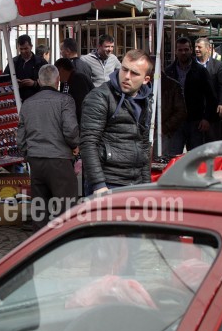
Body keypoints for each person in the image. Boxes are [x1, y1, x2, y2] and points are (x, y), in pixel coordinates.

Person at [80, 49, 153, 195]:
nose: (126, 76)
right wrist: (99, 185)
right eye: (124, 69)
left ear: (146, 79)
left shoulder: (146, 100)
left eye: (134, 73)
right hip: (108, 182)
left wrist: (146, 185)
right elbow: (88, 143)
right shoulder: (100, 96)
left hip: (135, 182)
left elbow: (143, 146)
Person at [17, 64, 79, 232]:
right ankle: (63, 245)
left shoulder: (28, 104)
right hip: (59, 159)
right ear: (58, 81)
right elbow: (70, 130)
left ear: (38, 81)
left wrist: (28, 155)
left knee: (39, 210)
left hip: (36, 160)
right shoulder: (65, 100)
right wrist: (75, 145)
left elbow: (21, 137)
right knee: (65, 209)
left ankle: (39, 248)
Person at [166, 37, 218, 152]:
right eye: (180, 50)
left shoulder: (200, 71)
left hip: (195, 122)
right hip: (176, 122)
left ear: (191, 50)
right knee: (173, 157)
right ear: (176, 51)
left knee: (195, 158)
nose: (183, 52)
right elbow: (164, 97)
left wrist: (207, 118)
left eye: (186, 49)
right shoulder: (169, 72)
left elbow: (211, 97)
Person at [195, 37, 222, 141]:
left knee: (212, 143)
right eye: (195, 47)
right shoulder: (191, 65)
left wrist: (221, 103)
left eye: (199, 47)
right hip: (195, 111)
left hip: (213, 110)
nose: (196, 49)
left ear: (208, 48)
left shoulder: (218, 65)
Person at [5, 34, 45, 102]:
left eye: (26, 48)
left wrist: (34, 83)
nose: (23, 51)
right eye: (21, 49)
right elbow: (4, 79)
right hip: (18, 101)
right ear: (18, 47)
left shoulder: (41, 62)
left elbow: (49, 82)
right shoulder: (13, 62)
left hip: (37, 100)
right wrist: (12, 82)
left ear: (31, 46)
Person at [55, 57, 94, 123]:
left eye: (56, 72)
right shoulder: (65, 82)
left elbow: (81, 103)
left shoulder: (78, 79)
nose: (56, 76)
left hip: (84, 119)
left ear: (61, 70)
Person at [159, 69, 187, 157]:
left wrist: (165, 127)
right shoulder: (143, 84)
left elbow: (181, 111)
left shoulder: (172, 86)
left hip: (166, 132)